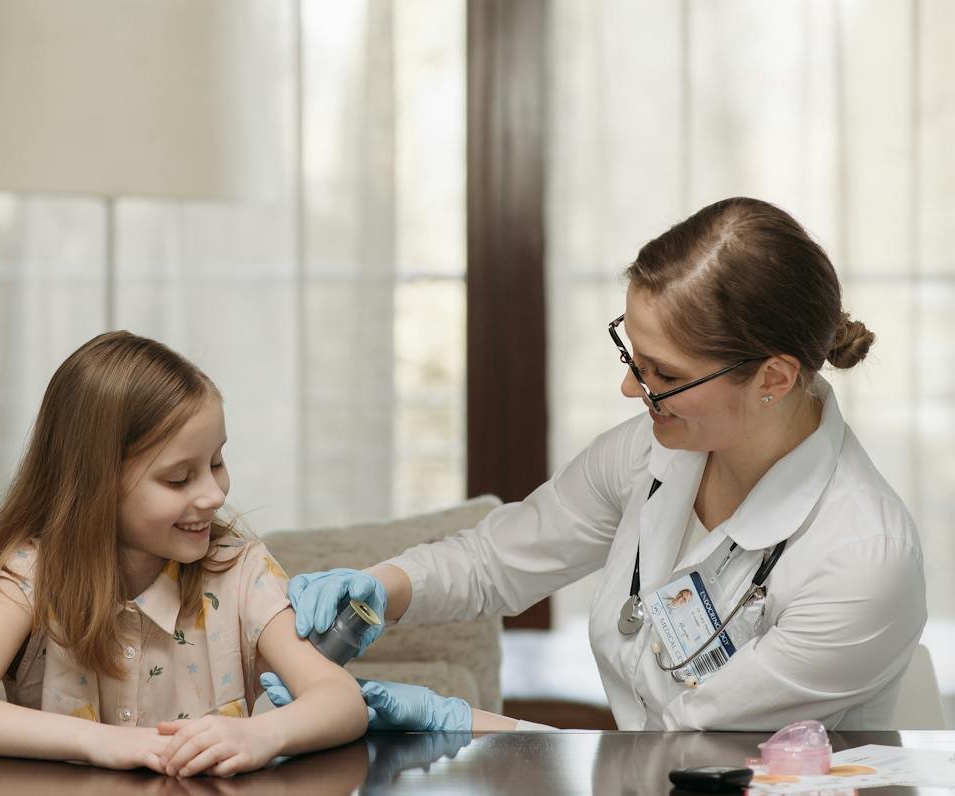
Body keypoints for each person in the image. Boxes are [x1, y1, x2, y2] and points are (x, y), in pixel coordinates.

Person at [281, 197, 925, 731]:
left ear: (774, 378)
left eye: (662, 374)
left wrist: (457, 723)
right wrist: (382, 586)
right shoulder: (651, 451)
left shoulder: (863, 559)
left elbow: (680, 751)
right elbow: (495, 561)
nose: (630, 391)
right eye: (631, 357)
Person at [0, 332, 490, 777]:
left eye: (216, 462)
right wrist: (105, 742)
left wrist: (261, 737)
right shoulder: (28, 577)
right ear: (92, 484)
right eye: (177, 478)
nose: (213, 494)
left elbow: (339, 700)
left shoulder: (238, 570)